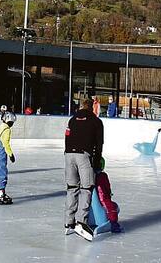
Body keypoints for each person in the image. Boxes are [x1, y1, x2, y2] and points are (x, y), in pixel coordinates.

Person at [65, 98, 104, 241]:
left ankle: (68, 222)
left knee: (72, 187)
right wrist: (96, 162)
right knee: (87, 188)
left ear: (81, 107)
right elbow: (99, 144)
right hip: (83, 156)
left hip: (68, 155)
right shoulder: (96, 121)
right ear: (92, 108)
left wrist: (69, 152)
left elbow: (67, 137)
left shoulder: (72, 119)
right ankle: (81, 222)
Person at [93, 158, 122, 233]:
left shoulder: (91, 176)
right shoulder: (102, 175)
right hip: (103, 199)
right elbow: (106, 187)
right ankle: (114, 224)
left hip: (96, 199)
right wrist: (109, 194)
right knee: (112, 207)